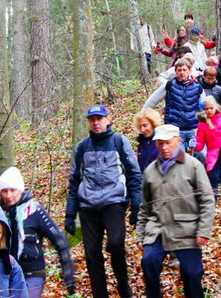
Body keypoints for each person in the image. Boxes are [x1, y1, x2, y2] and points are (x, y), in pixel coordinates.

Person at [65, 104, 141, 298]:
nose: (96, 123)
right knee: (92, 255)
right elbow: (74, 181)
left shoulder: (119, 142)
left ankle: (125, 290)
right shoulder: (82, 147)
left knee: (116, 245)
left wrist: (136, 207)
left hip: (114, 202)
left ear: (108, 119)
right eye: (92, 120)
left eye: (99, 119)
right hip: (88, 207)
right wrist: (70, 214)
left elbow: (133, 173)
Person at [135, 124, 215, 298]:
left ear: (178, 141)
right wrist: (140, 235)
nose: (164, 147)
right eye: (160, 143)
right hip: (158, 229)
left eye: (168, 143)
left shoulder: (193, 166)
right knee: (148, 261)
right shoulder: (150, 171)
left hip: (186, 229)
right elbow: (145, 207)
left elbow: (207, 199)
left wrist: (203, 230)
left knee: (192, 274)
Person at [0, 167, 75, 297]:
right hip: (3, 273)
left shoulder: (35, 211)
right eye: (4, 191)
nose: (9, 195)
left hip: (32, 272)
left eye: (12, 190)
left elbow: (60, 242)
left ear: (20, 190)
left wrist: (68, 276)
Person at [143, 58, 205, 151]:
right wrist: (142, 116)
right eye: (179, 70)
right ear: (175, 71)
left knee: (202, 156)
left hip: (193, 129)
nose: (182, 72)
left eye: (184, 70)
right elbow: (152, 100)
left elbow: (205, 106)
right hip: (174, 129)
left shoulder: (197, 87)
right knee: (178, 156)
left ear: (189, 70)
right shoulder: (169, 85)